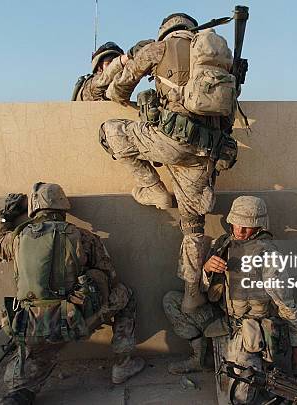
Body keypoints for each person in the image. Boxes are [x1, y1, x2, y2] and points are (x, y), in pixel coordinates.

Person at [100, 13, 240, 314]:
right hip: (206, 153)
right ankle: (192, 296)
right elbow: (227, 116)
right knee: (193, 227)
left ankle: (153, 189)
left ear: (165, 31)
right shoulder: (221, 65)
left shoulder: (157, 49)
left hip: (169, 142)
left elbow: (116, 92)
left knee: (110, 131)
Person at [0, 182, 145, 405]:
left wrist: (6, 216)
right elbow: (110, 277)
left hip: (34, 326)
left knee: (18, 387)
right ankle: (123, 363)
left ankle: (19, 394)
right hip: (76, 320)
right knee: (124, 295)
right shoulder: (84, 237)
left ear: (34, 208)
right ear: (63, 207)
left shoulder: (17, 237)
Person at [163, 196, 297, 404]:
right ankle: (199, 358)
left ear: (259, 226)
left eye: (247, 227)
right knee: (172, 301)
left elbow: (287, 306)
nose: (240, 231)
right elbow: (201, 291)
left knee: (235, 399)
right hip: (222, 319)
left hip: (249, 331)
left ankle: (251, 363)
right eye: (237, 224)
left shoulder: (267, 256)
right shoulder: (223, 243)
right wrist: (206, 270)